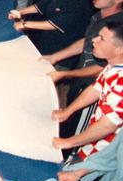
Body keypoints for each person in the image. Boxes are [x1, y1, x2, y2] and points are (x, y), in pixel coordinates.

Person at [52, 22, 123, 161]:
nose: (94, 40)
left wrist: (70, 142)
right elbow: (95, 89)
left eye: (101, 38)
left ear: (119, 49)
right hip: (93, 146)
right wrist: (68, 111)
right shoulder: (114, 67)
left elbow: (108, 126)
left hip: (104, 154)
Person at [9, 0, 95, 55]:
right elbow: (41, 6)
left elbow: (55, 24)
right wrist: (20, 12)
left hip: (61, 51)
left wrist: (24, 24)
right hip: (46, 42)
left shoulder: (79, 2)